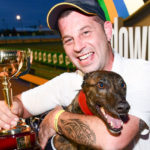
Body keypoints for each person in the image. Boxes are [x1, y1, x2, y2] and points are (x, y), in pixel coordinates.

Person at [0, 0, 150, 149]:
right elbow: (22, 104)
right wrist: (8, 110)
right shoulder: (69, 81)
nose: (78, 47)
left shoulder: (141, 73)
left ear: (108, 31)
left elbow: (113, 141)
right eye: (69, 40)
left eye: (85, 32)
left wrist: (56, 119)